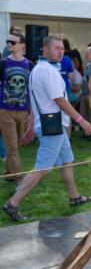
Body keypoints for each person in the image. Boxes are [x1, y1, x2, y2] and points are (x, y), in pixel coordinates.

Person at [3, 36, 91, 221]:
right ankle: (12, 204)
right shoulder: (47, 71)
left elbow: (37, 100)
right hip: (53, 127)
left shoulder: (39, 68)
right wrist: (81, 120)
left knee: (67, 161)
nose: (60, 51)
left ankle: (74, 197)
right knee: (42, 169)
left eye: (62, 48)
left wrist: (32, 126)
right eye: (56, 48)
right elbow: (59, 100)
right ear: (45, 49)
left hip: (50, 125)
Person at [0, 28, 34, 184]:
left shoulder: (30, 65)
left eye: (12, 42)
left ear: (22, 45)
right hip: (5, 110)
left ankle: (9, 173)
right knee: (12, 146)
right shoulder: (3, 63)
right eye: (8, 41)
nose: (9, 44)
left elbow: (32, 90)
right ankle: (20, 180)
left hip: (23, 111)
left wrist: (32, 113)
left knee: (16, 146)